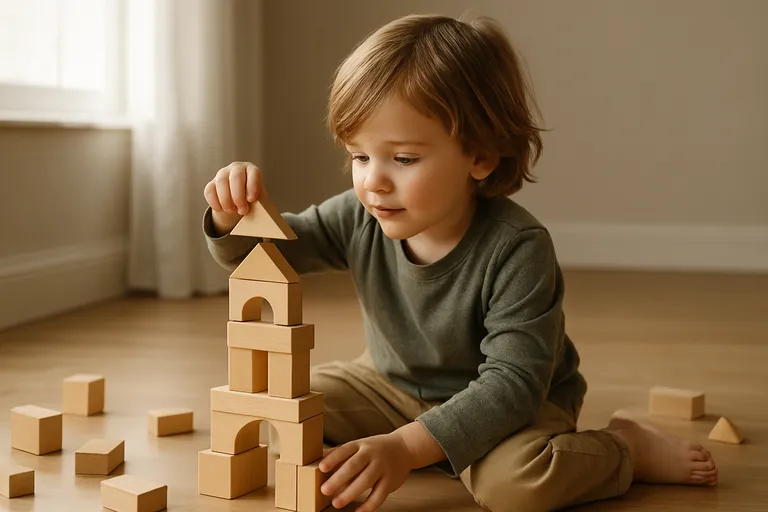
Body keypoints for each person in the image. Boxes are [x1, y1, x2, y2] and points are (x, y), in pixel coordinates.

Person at [202, 13, 717, 512]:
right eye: (360, 156)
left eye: (403, 159)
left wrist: (404, 449)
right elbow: (267, 258)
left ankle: (625, 448)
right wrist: (232, 217)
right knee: (282, 406)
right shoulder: (359, 216)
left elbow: (512, 385)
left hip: (511, 401)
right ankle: (432, 446)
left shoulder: (516, 247)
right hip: (388, 385)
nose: (374, 181)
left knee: (519, 488)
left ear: (481, 157)